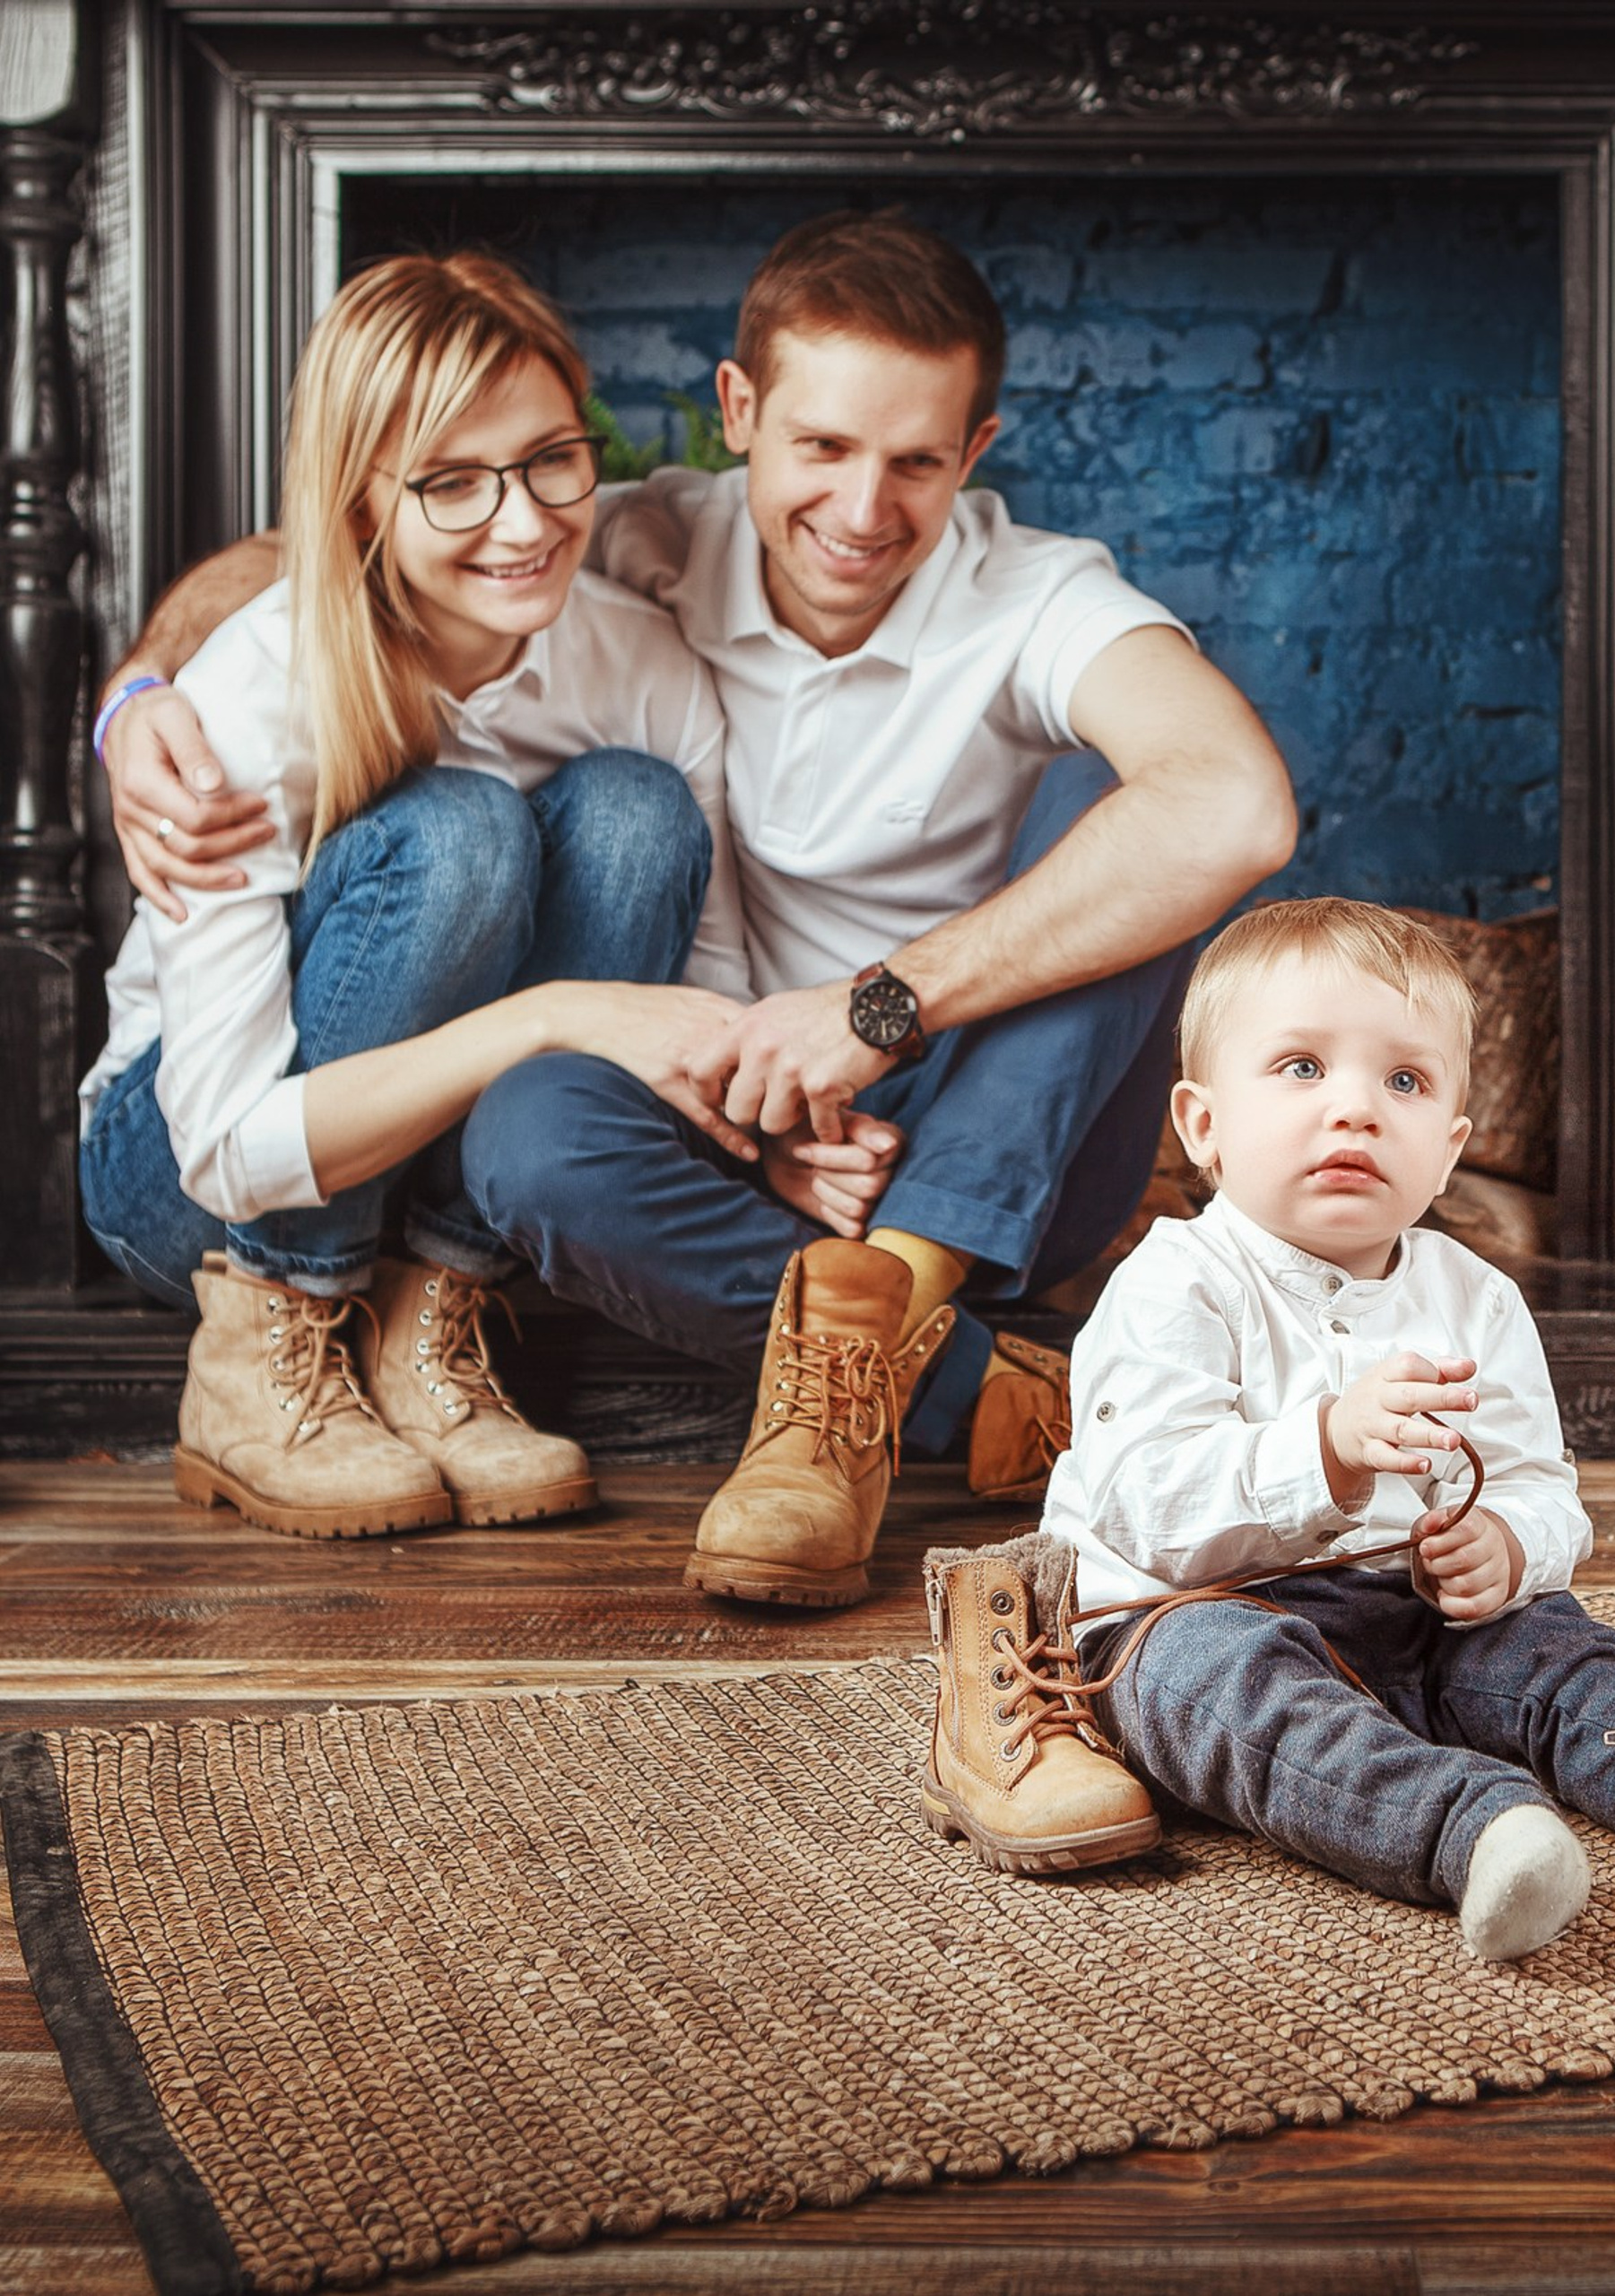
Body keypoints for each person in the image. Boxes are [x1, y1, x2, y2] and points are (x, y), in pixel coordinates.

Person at [96, 209, 1298, 1608]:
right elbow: (300, 562)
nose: (862, 510)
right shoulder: (622, 546)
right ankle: (955, 1388)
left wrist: (867, 1022)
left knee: (1119, 812)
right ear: (739, 413)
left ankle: (873, 1325)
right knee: (521, 1076)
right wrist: (137, 700)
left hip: (946, 1136)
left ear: (977, 454)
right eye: (825, 447)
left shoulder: (1009, 600)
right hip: (434, 1138)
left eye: (916, 460)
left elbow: (1234, 807)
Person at [917, 900, 1615, 1957]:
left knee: (1554, 1649)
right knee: (1227, 1691)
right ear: (1203, 1123)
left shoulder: (1475, 1296)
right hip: (1191, 1612)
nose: (1353, 1107)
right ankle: (1475, 1829)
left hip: (1413, 1612)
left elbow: (1542, 1485)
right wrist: (1328, 1448)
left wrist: (1508, 1546)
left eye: (1402, 1079)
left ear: (1445, 1151)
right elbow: (1146, 1510)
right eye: (1301, 1068)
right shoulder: (1173, 1285)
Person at [78, 251, 764, 1542]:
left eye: (552, 458)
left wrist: (783, 1109)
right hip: (193, 1189)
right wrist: (549, 1016)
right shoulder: (249, 697)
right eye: (451, 483)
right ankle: (265, 1352)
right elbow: (219, 1144)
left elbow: (701, 998)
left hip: (428, 1185)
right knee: (458, 832)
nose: (523, 522)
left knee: (633, 807)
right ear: (360, 507)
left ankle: (428, 1324)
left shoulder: (642, 663)